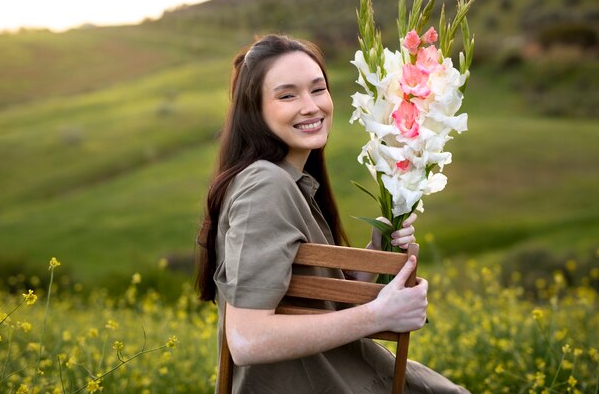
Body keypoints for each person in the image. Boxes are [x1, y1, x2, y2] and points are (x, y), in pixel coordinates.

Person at [196, 34, 470, 394]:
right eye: (287, 95)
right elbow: (248, 338)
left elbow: (314, 301)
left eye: (318, 89)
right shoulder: (265, 186)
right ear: (254, 109)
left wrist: (377, 252)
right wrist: (379, 316)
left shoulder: (293, 183)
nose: (311, 106)